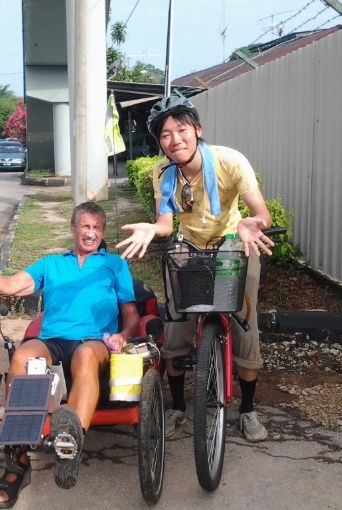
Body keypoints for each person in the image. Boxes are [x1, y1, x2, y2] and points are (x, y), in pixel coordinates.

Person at [0, 201, 139, 508]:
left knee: (85, 356)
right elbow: (11, 286)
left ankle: (70, 443)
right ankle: (19, 462)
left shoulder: (115, 264)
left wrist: (123, 335)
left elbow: (130, 314)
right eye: (85, 226)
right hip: (52, 340)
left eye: (97, 228)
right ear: (73, 228)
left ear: (102, 232)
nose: (91, 233)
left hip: (93, 342)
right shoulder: (52, 264)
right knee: (22, 357)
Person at [116, 95, 276, 442]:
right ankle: (177, 407)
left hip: (234, 244)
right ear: (160, 143)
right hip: (188, 246)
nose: (175, 139)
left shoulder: (229, 162)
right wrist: (152, 229)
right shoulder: (164, 172)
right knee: (176, 327)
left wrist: (253, 223)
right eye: (165, 134)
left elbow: (263, 215)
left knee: (245, 326)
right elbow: (166, 224)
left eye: (182, 129)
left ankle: (248, 411)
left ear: (197, 130)